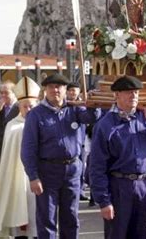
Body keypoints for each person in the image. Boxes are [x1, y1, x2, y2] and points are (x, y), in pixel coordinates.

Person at [21, 73, 100, 239]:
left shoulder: (75, 109)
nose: (55, 90)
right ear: (45, 90)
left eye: (59, 87)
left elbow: (92, 117)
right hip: (47, 171)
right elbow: (28, 149)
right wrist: (33, 176)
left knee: (71, 217)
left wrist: (93, 103)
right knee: (47, 219)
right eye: (51, 87)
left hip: (72, 171)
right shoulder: (36, 114)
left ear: (66, 90)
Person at [89, 76, 146, 239]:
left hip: (145, 185)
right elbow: (97, 167)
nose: (134, 96)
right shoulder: (105, 125)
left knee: (141, 234)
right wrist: (104, 201)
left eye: (136, 92)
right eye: (128, 92)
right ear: (116, 95)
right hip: (119, 187)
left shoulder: (145, 118)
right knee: (117, 234)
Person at [0, 76, 40, 238]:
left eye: (31, 106)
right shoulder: (13, 125)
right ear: (19, 107)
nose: (28, 110)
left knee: (37, 214)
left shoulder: (42, 123)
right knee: (19, 211)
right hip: (17, 176)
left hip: (38, 176)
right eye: (25, 106)